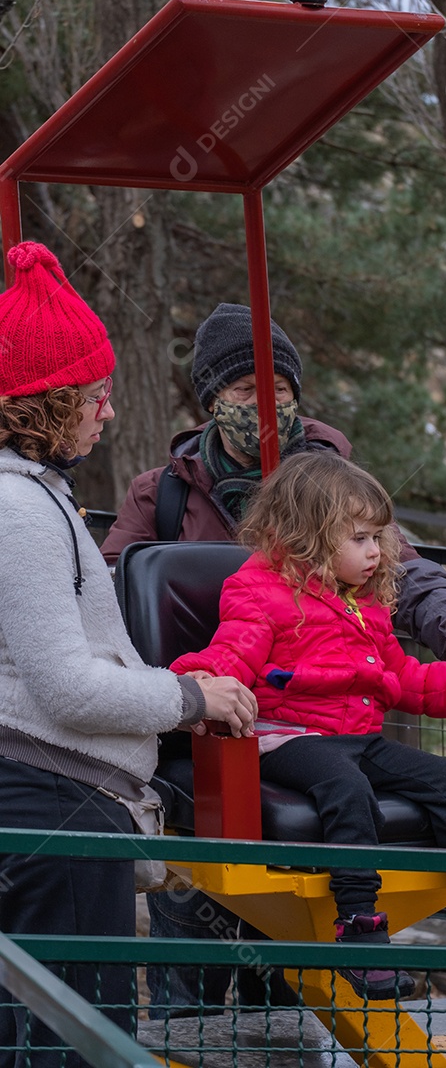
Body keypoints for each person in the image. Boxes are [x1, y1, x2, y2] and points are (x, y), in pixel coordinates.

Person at [100, 301, 446, 1014]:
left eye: (282, 392)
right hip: (236, 737)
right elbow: (119, 604)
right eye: (246, 393)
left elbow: (406, 582)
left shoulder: (338, 498)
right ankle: (200, 1020)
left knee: (288, 992)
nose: (267, 406)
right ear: (213, 400)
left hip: (336, 727)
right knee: (197, 971)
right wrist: (172, 696)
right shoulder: (167, 494)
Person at [0, 241, 257, 1066]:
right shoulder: (22, 512)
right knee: (76, 1047)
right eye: (95, 397)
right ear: (46, 403)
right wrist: (192, 699)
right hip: (54, 814)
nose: (106, 414)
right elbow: (69, 689)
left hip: (51, 810)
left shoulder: (36, 500)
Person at [171, 452, 446, 1002]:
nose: (375, 553)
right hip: (285, 734)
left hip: (356, 736)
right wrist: (190, 687)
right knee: (345, 787)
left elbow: (403, 678)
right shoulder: (259, 592)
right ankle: (360, 925)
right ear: (308, 535)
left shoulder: (364, 605)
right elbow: (231, 655)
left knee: (442, 777)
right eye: (360, 538)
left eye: (378, 539)